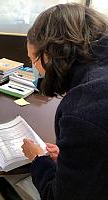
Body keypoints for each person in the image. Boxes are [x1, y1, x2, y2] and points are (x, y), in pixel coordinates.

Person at [21, 3, 108, 200]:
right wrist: (74, 155)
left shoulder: (83, 110)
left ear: (48, 55)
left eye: (33, 61)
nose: (34, 68)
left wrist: (38, 159)